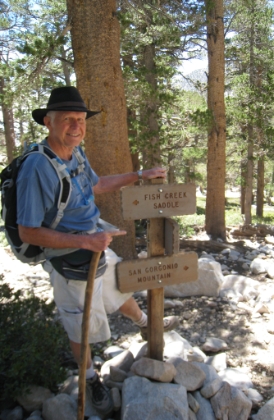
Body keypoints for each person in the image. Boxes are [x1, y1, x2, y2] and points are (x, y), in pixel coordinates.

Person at [16, 86, 179, 417]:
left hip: (94, 238)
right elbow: (28, 231)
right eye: (67, 120)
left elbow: (96, 185)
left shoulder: (75, 152)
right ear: (48, 122)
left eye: (80, 119)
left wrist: (139, 175)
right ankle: (90, 379)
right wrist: (84, 243)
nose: (76, 126)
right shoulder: (37, 168)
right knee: (81, 324)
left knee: (117, 284)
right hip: (67, 258)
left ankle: (146, 324)